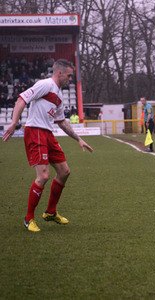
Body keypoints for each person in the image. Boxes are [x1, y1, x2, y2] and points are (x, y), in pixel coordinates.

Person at [2, 59, 94, 233]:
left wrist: (78, 139)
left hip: (47, 133)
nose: (70, 79)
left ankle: (50, 212)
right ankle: (28, 219)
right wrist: (14, 122)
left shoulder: (58, 96)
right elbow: (22, 99)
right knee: (43, 176)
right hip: (35, 131)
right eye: (68, 75)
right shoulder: (45, 84)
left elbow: (62, 122)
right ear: (59, 73)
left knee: (64, 171)